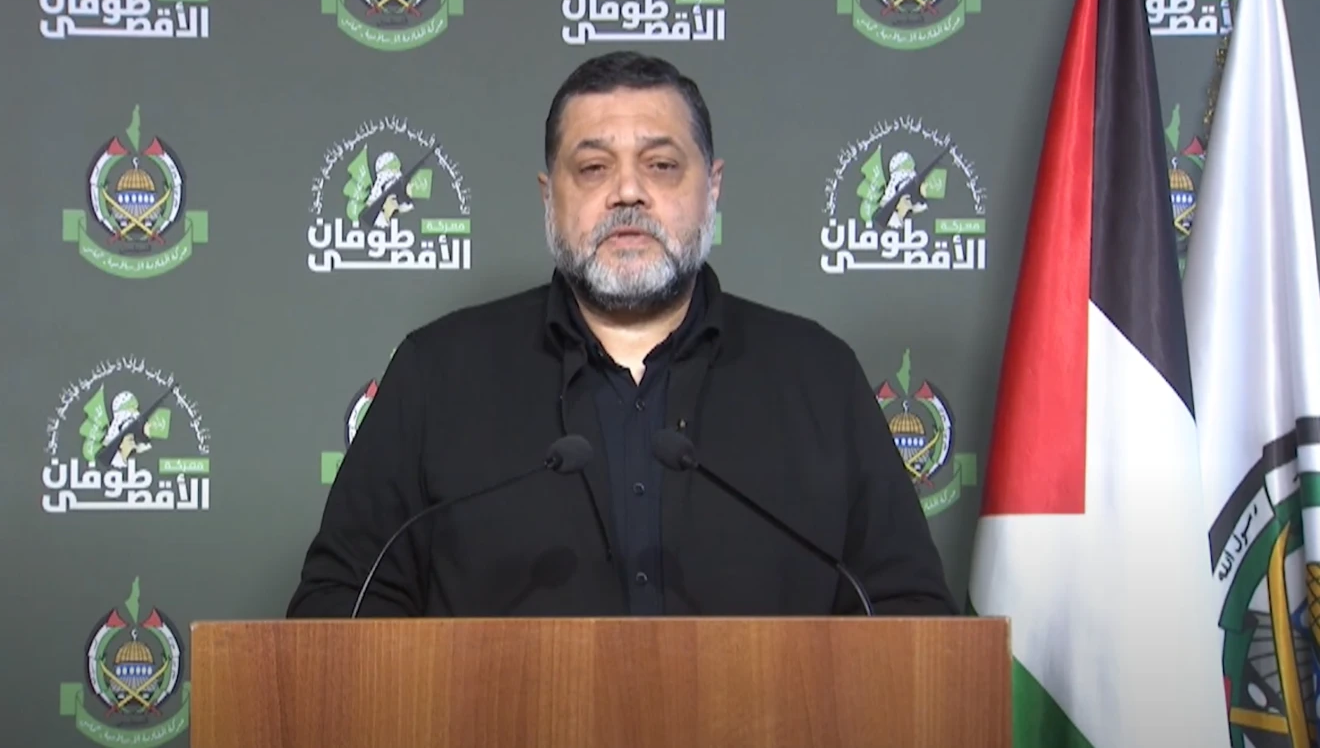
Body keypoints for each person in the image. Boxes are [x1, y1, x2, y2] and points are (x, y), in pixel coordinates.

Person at [286, 51, 956, 618]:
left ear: (713, 189)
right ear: (549, 198)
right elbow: (338, 611)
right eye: (593, 168)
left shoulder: (818, 376)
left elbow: (910, 618)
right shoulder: (437, 375)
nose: (628, 191)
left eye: (661, 165)